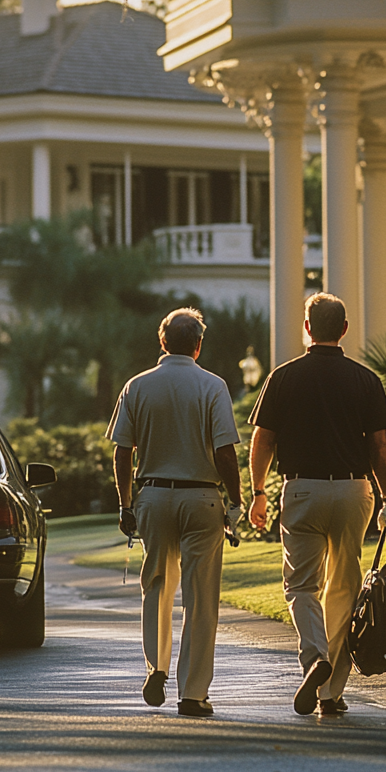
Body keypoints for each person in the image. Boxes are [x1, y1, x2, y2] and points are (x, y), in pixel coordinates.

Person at [247, 292, 386, 716]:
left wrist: (258, 491)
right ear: (345, 329)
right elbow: (381, 445)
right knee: (344, 588)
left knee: (301, 585)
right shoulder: (365, 379)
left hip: (302, 491)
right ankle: (331, 693)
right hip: (353, 493)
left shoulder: (283, 376)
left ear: (307, 327)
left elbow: (263, 439)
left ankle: (315, 656)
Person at [107, 307, 243, 717]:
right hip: (201, 497)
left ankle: (157, 666)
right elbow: (224, 451)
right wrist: (236, 500)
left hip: (153, 495)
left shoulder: (137, 386)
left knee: (157, 585)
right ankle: (193, 693)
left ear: (162, 341)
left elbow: (122, 451)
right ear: (199, 345)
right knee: (201, 598)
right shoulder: (213, 386)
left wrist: (125, 503)